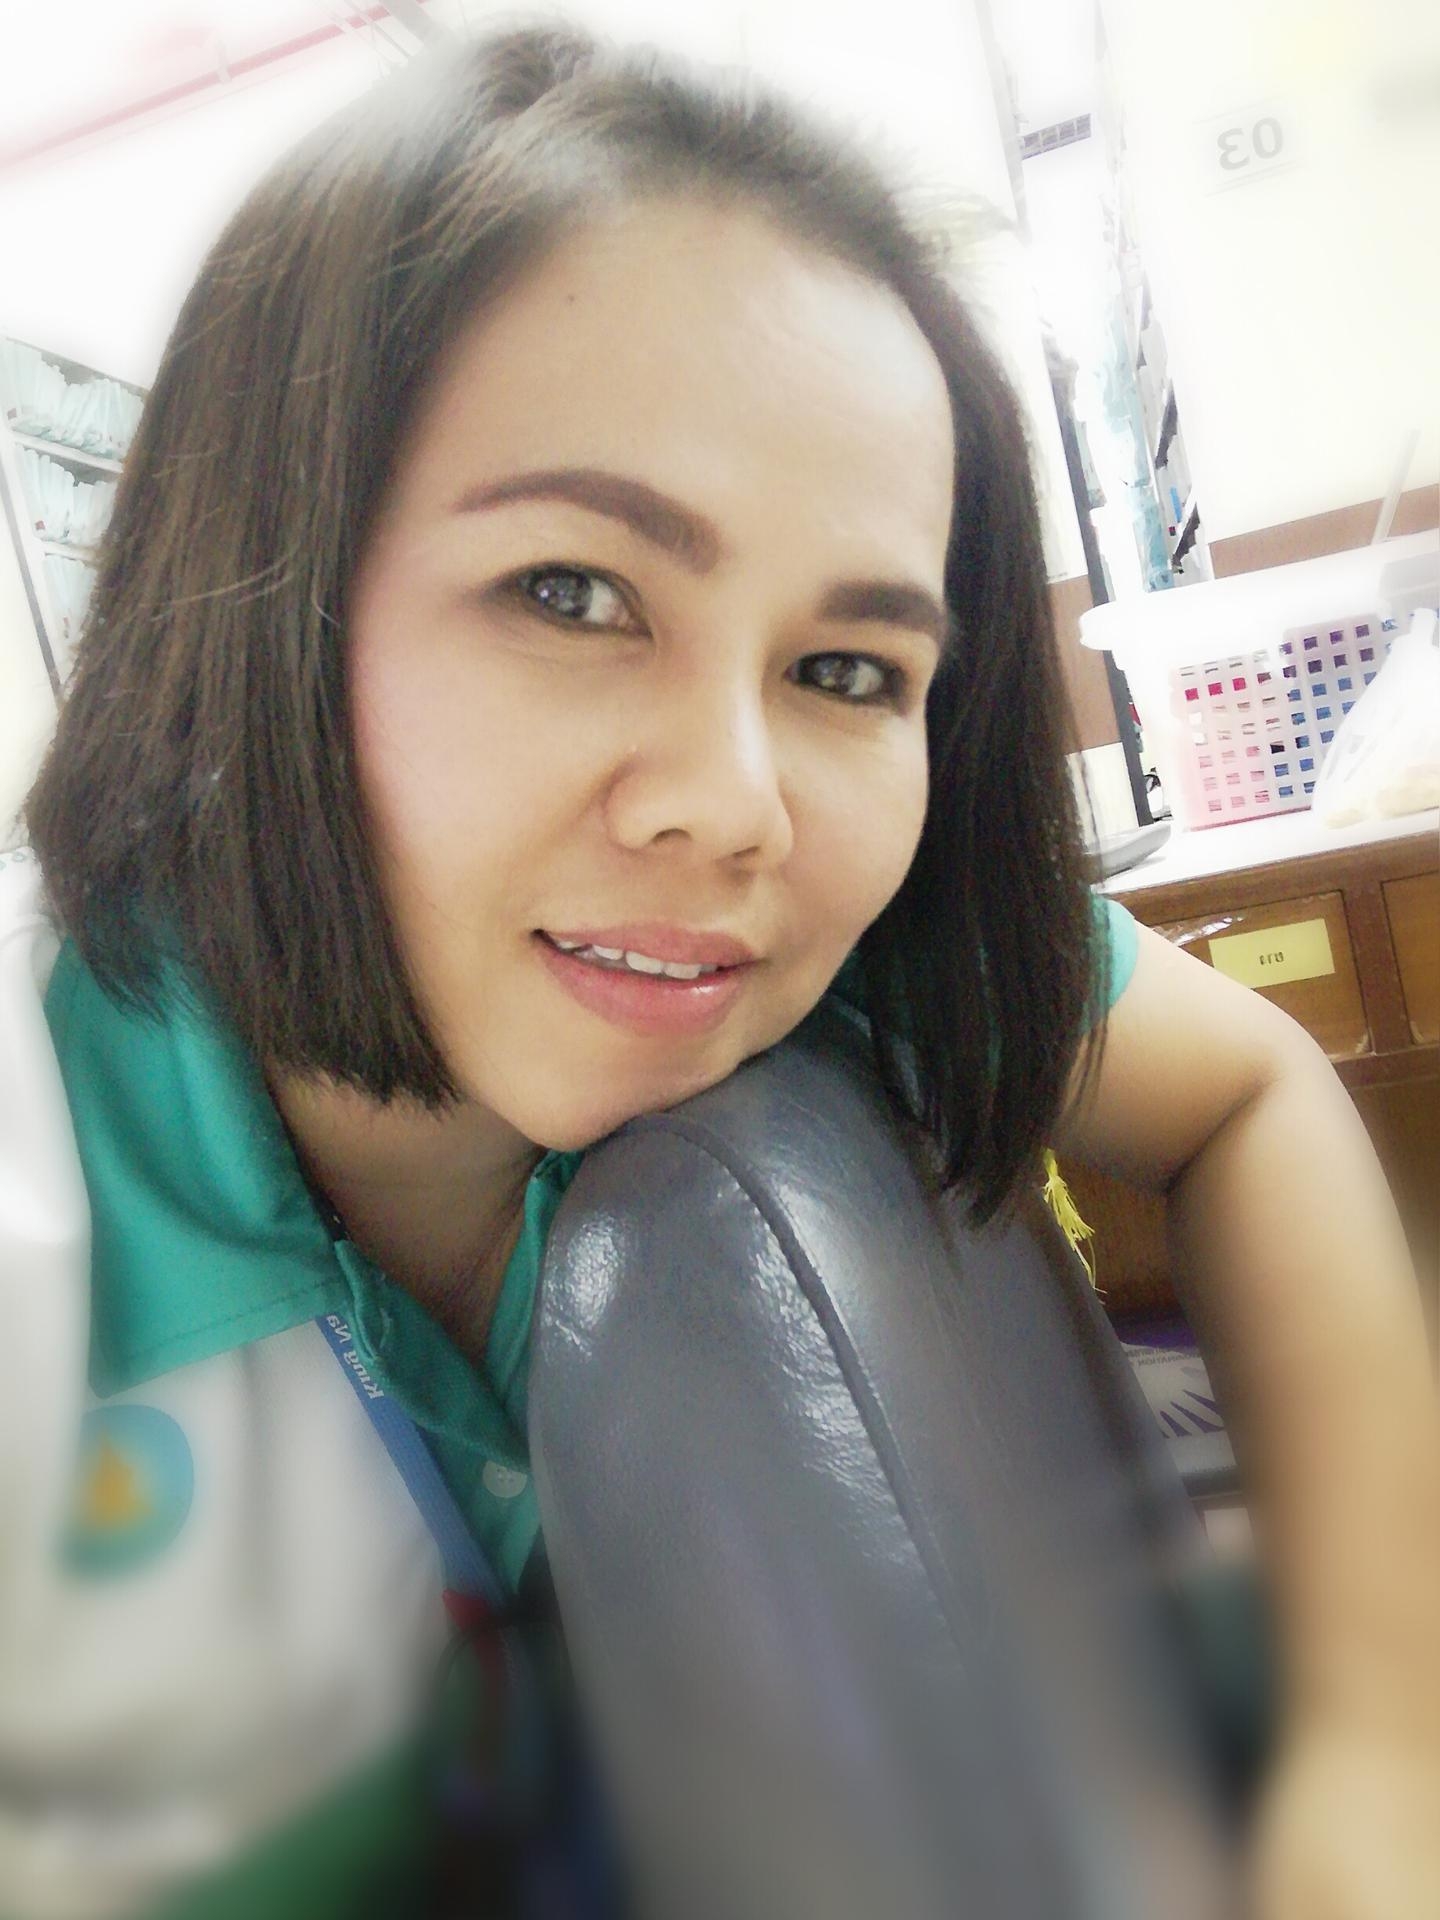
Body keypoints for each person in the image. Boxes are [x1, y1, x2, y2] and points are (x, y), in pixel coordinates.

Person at [2, 21, 1436, 1920]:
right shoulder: (47, 1188)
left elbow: (1250, 1086)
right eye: (573, 593)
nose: (737, 804)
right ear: (252, 605)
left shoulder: (856, 945)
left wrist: (1379, 1752)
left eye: (848, 670)